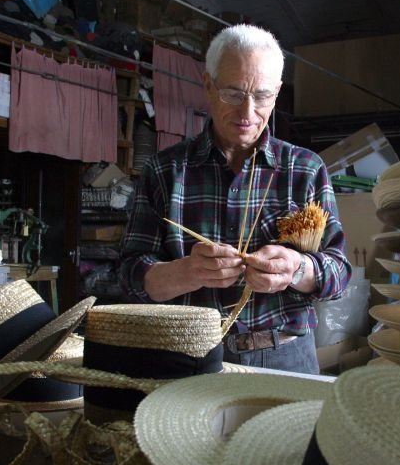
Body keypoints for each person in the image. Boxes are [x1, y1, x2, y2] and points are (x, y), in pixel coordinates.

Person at [118, 24, 351, 374]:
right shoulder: (164, 171)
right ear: (208, 85)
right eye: (233, 93)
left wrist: (296, 268)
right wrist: (186, 272)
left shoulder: (305, 169)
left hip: (285, 357)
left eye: (262, 96)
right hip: (188, 356)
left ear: (277, 93)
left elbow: (339, 274)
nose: (247, 113)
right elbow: (128, 276)